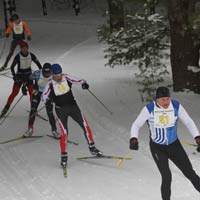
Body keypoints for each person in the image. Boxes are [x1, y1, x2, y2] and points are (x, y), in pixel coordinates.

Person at [129, 86, 200, 200]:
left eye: (167, 99)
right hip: (158, 148)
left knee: (190, 173)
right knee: (167, 176)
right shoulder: (149, 108)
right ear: (157, 99)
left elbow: (188, 121)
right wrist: (133, 138)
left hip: (174, 145)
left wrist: (197, 137)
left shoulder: (176, 105)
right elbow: (136, 124)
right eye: (163, 99)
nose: (166, 102)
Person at [42, 64, 103, 167]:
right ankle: (64, 157)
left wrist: (84, 84)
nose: (59, 77)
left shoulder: (66, 77)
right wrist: (47, 100)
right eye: (56, 75)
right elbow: (43, 96)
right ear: (52, 75)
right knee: (64, 133)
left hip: (73, 107)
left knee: (85, 125)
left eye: (60, 74)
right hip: (60, 110)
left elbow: (80, 80)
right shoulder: (49, 84)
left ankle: (92, 148)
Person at [0, 41, 42, 119]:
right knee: (14, 93)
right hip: (19, 76)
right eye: (23, 48)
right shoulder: (18, 56)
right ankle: (5, 109)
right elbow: (12, 67)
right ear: (21, 49)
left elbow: (39, 65)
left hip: (29, 76)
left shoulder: (31, 55)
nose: (24, 50)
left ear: (27, 48)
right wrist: (14, 76)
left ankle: (33, 109)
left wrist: (40, 73)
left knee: (32, 93)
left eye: (26, 48)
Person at [23, 63, 60, 138]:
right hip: (37, 92)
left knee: (50, 112)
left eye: (48, 72)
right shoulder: (37, 73)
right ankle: (30, 129)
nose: (47, 74)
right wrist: (24, 87)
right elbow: (28, 79)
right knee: (33, 110)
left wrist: (53, 98)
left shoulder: (54, 75)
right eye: (45, 72)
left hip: (48, 94)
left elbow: (58, 86)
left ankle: (54, 130)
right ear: (42, 70)